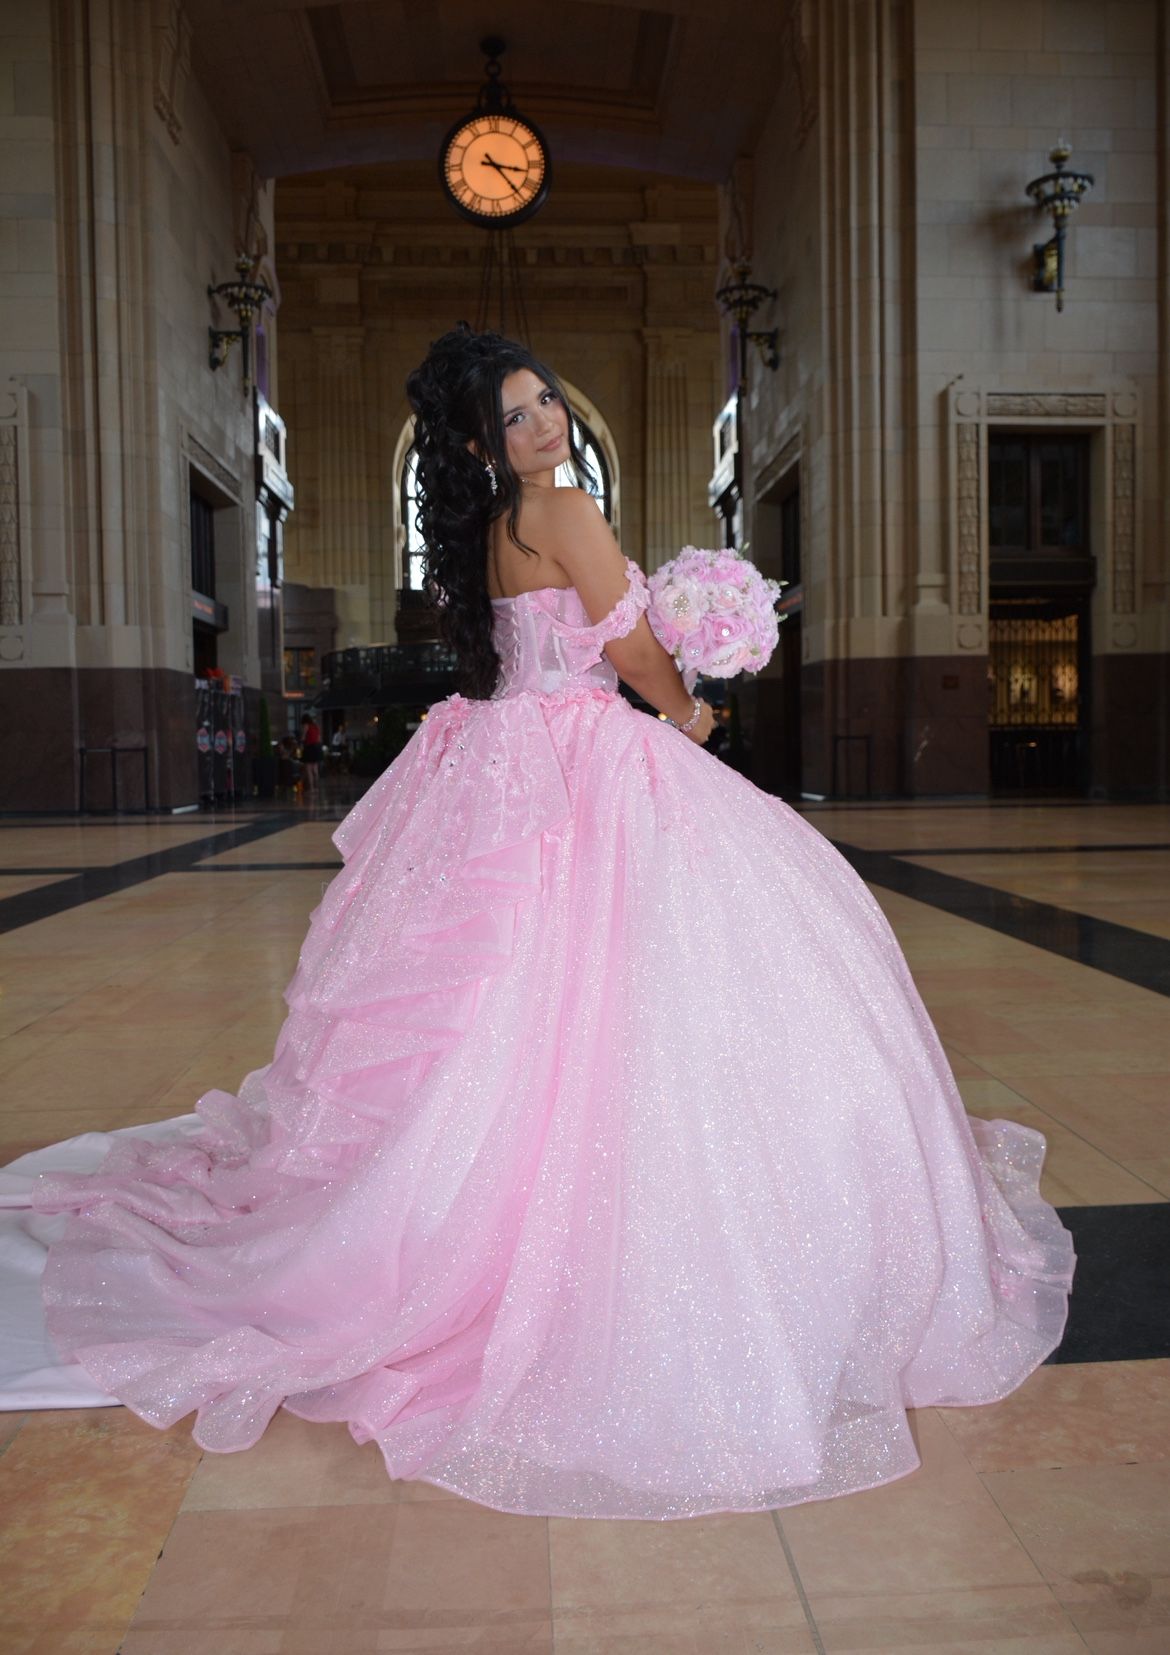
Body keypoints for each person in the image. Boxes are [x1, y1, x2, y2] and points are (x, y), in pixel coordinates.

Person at [10, 326, 1073, 1522]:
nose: (546, 426)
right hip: (581, 753)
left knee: (496, 993)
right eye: (517, 416)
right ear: (480, 441)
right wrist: (688, 705)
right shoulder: (560, 510)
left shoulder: (482, 534)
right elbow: (621, 640)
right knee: (627, 982)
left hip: (497, 757)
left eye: (548, 403)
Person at [299, 712, 323, 793]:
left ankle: (311, 788)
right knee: (315, 769)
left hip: (309, 748)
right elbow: (319, 738)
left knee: (308, 769)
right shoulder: (315, 726)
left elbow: (303, 737)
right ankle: (317, 787)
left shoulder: (306, 725)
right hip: (317, 747)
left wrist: (301, 743)